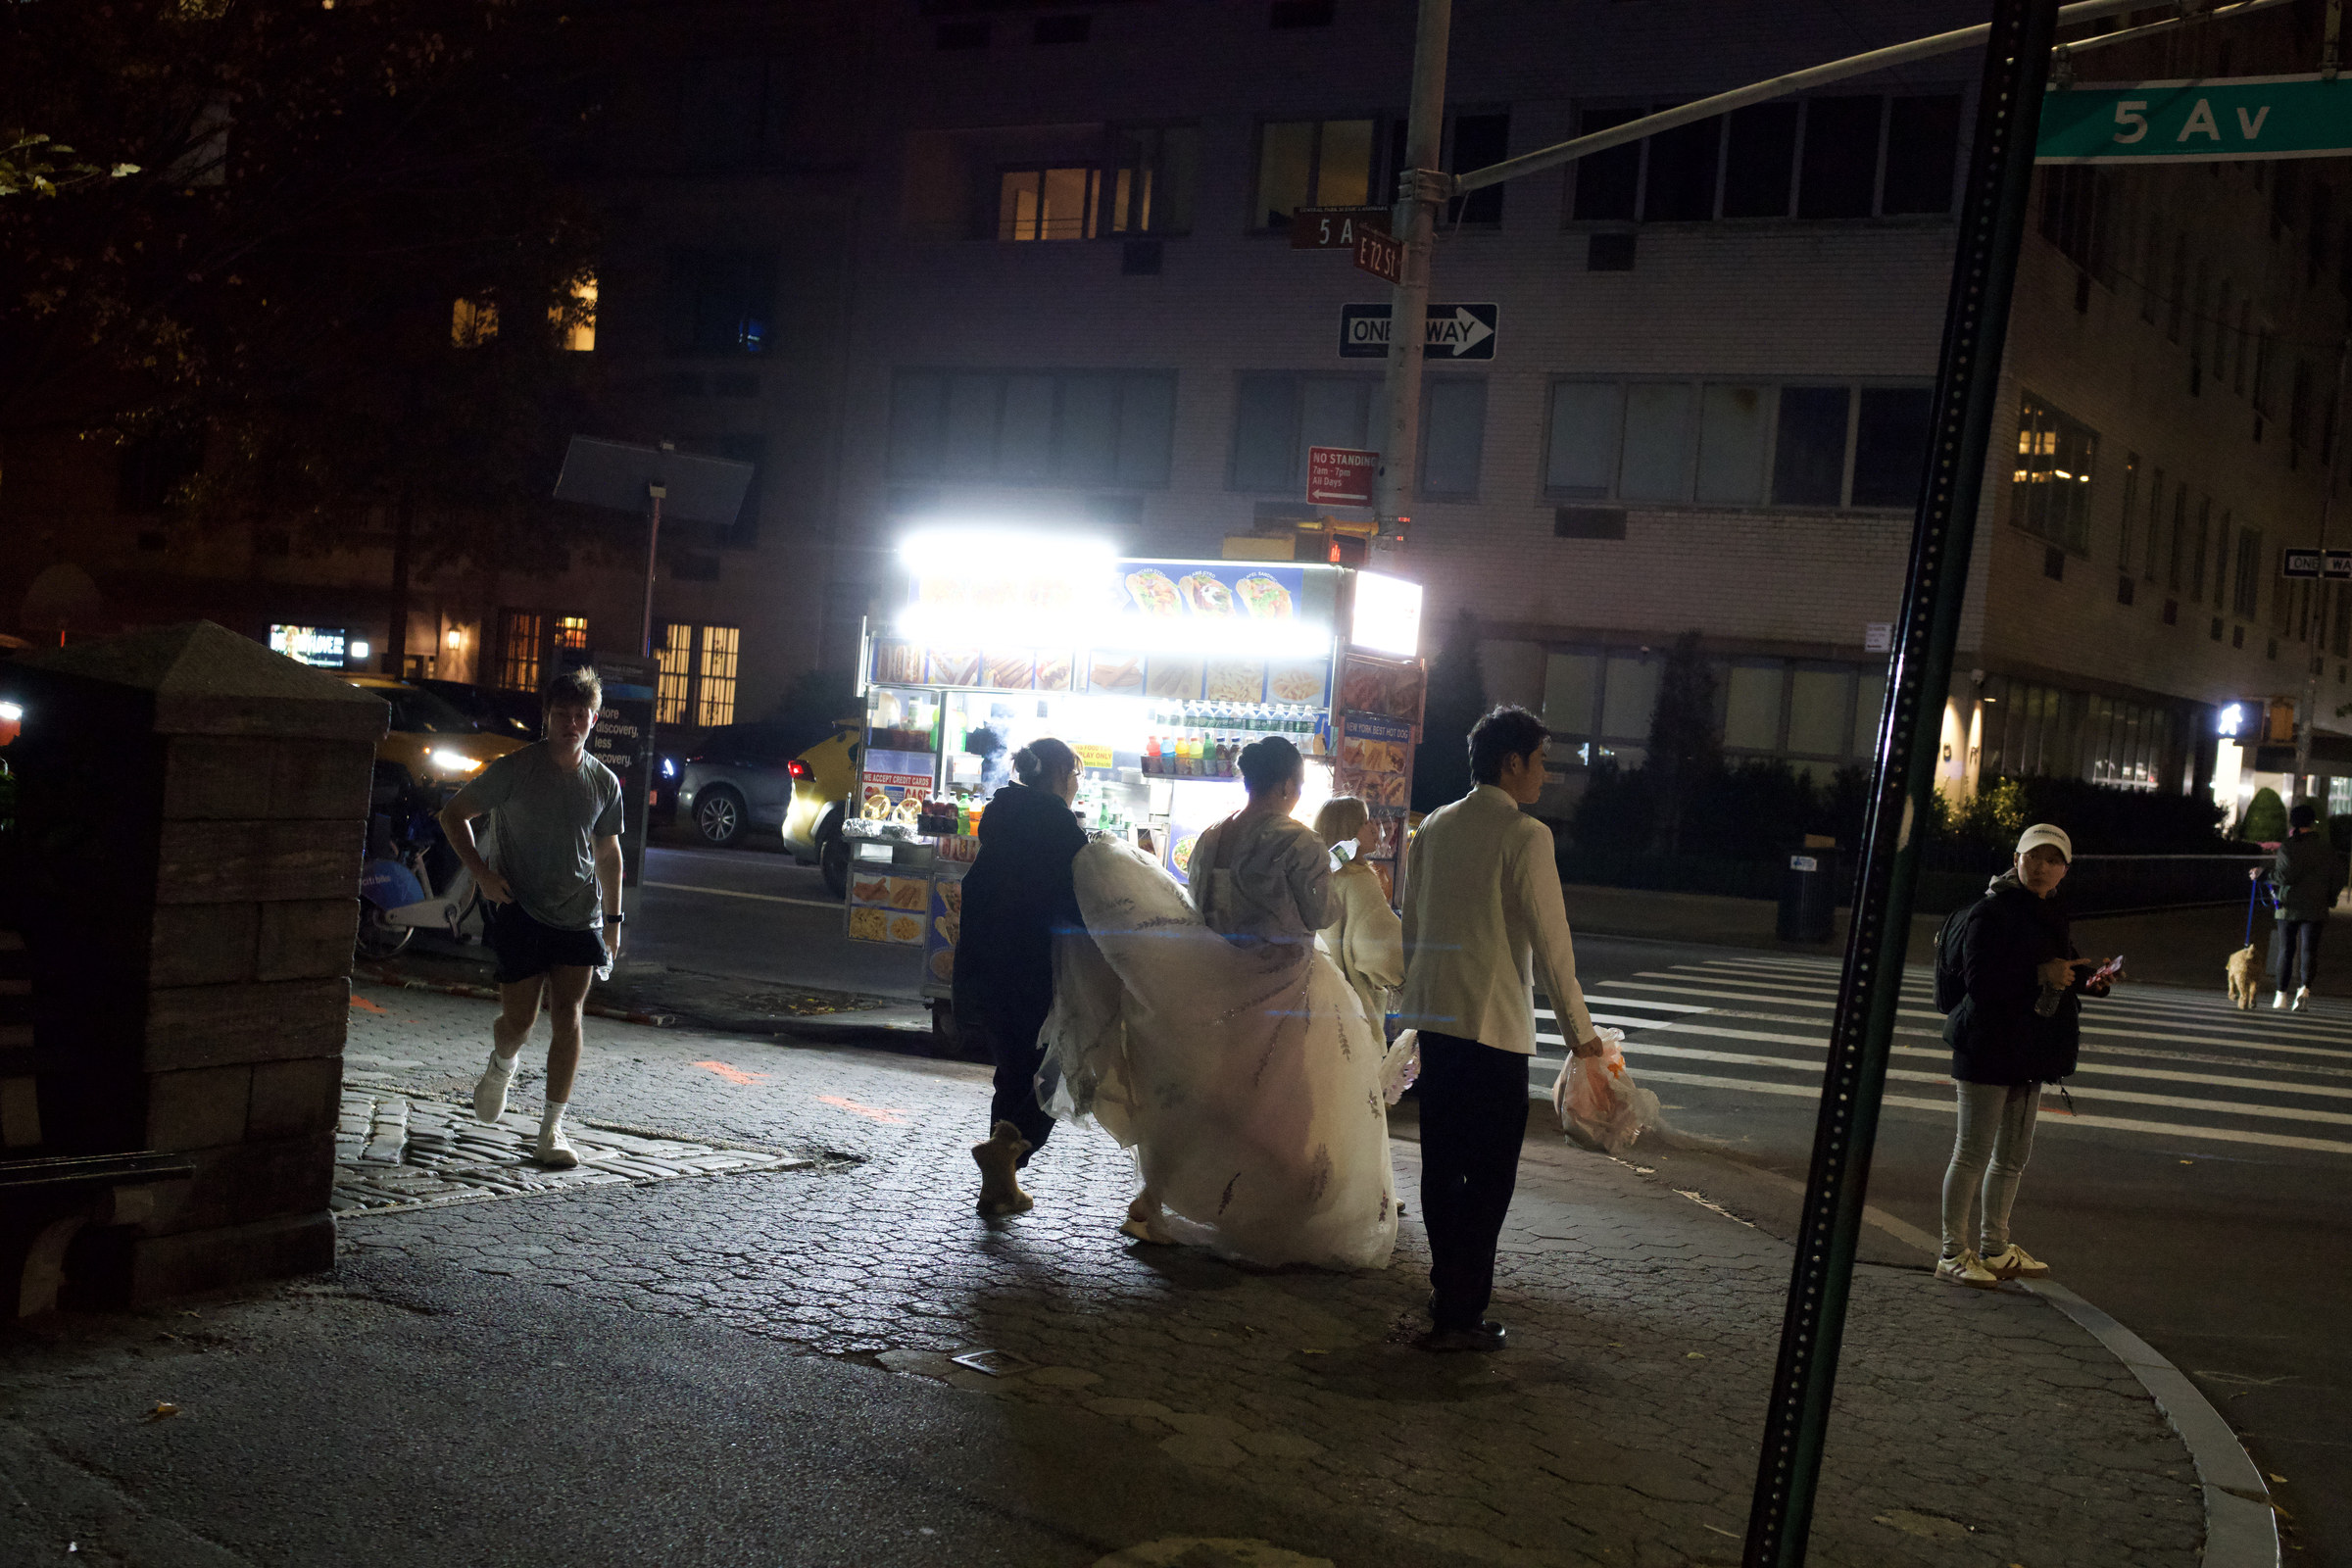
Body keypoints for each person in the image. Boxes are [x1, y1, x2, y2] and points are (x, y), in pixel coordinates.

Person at [1041, 734, 1397, 1269]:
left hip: (1217, 981)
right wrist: (1338, 859)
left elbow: (1197, 904)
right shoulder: (1296, 842)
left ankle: (1163, 1196)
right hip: (1284, 987)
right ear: (1285, 785)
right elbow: (1321, 913)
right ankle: (1285, 1212)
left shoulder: (1211, 836)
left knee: (1210, 1097)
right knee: (1292, 1101)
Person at [1396, 706, 1604, 1353]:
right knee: (1489, 1176)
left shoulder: (1433, 826)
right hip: (1493, 1030)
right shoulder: (1525, 835)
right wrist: (1582, 1035)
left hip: (1437, 1018)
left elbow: (1412, 923)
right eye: (1540, 760)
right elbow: (1550, 942)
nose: (1545, 772)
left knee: (1442, 1165)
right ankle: (1462, 1307)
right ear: (1511, 762)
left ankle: (1446, 1292)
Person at [438, 666, 625, 1170]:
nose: (571, 723)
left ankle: (551, 1129)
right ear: (548, 717)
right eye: (562, 714)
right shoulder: (516, 768)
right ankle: (502, 1065)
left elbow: (608, 853)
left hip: (579, 915)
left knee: (570, 1017)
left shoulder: (603, 782)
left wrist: (613, 919)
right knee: (518, 1021)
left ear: (593, 719)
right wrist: (480, 873)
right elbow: (453, 815)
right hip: (520, 909)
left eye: (580, 715)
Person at [1936, 823, 2114, 1288]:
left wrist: (2091, 980)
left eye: (2053, 860)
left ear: (2065, 871)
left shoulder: (2051, 911)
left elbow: (2062, 966)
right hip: (1986, 1046)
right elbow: (1980, 985)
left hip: (2029, 1047)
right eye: (2034, 856)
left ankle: (1995, 1248)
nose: (2041, 867)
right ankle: (1953, 1252)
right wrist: (2040, 973)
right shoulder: (1989, 913)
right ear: (2016, 859)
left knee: (2012, 1156)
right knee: (1972, 1154)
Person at [954, 738, 1087, 1216]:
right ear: (1058, 777)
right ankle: (1007, 1151)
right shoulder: (1057, 825)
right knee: (1041, 1072)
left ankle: (1000, 1186)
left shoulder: (1003, 815)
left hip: (988, 966)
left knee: (1011, 1068)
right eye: (1075, 776)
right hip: (1031, 966)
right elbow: (1074, 901)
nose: (1076, 786)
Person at [1312, 796, 1404, 1034]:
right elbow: (1382, 950)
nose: (1375, 827)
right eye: (1365, 822)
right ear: (1347, 831)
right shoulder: (1359, 881)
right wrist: (1407, 978)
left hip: (1317, 1002)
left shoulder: (1319, 876)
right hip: (1352, 1013)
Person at [2272, 802, 2344, 1010]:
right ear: (2313, 823)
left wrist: (2263, 875)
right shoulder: (2326, 849)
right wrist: (2330, 898)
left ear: (2293, 822)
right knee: (2309, 951)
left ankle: (2280, 995)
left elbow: (2284, 876)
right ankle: (2304, 989)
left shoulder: (2289, 846)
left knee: (2286, 950)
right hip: (2316, 906)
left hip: (2289, 905)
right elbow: (2337, 877)